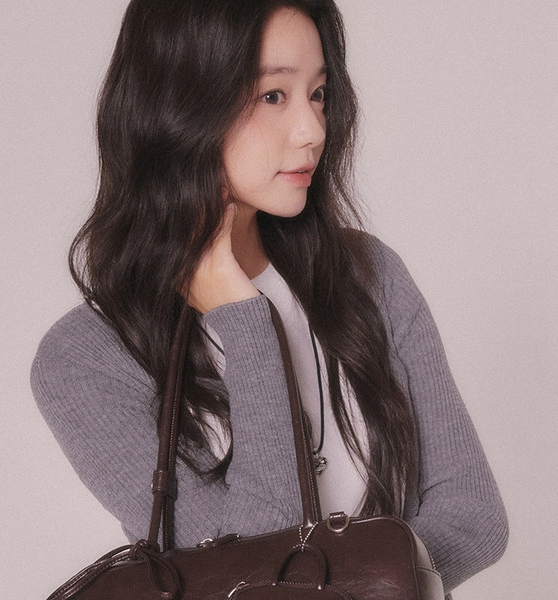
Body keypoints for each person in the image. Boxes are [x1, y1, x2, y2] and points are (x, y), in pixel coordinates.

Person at [31, 0, 508, 597]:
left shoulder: (366, 275)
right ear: (179, 105)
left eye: (318, 94)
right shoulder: (86, 360)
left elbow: (473, 515)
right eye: (273, 96)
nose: (313, 130)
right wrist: (242, 319)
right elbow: (250, 570)